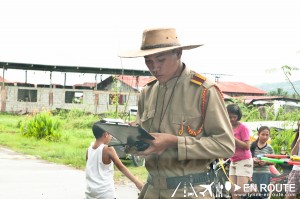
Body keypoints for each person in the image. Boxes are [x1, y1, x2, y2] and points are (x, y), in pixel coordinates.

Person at [118, 27, 235, 199]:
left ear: (178, 53)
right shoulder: (147, 92)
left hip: (190, 190)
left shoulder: (203, 91)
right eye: (148, 61)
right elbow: (146, 139)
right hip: (151, 189)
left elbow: (225, 146)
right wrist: (133, 141)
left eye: (161, 59)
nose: (154, 67)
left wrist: (174, 142)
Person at [85, 121, 143, 199]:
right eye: (110, 133)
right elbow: (121, 167)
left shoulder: (88, 150)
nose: (111, 136)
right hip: (105, 194)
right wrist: (137, 182)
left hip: (90, 194)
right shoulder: (108, 149)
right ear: (105, 134)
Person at [226, 103, 253, 199]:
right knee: (233, 191)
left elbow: (247, 146)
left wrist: (232, 138)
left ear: (238, 116)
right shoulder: (227, 128)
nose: (232, 119)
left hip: (244, 160)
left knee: (240, 190)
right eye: (229, 117)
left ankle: (254, 188)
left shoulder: (243, 128)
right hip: (233, 160)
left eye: (234, 117)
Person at [250, 126, 274, 199]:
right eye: (263, 134)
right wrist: (253, 160)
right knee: (252, 195)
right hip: (252, 174)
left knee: (263, 195)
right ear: (258, 134)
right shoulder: (251, 145)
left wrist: (266, 162)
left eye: (267, 135)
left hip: (264, 174)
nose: (265, 137)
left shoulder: (269, 148)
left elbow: (273, 161)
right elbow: (246, 159)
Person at [285, 119, 300, 199]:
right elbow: (292, 155)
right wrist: (298, 142)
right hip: (296, 170)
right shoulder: (297, 140)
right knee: (290, 195)